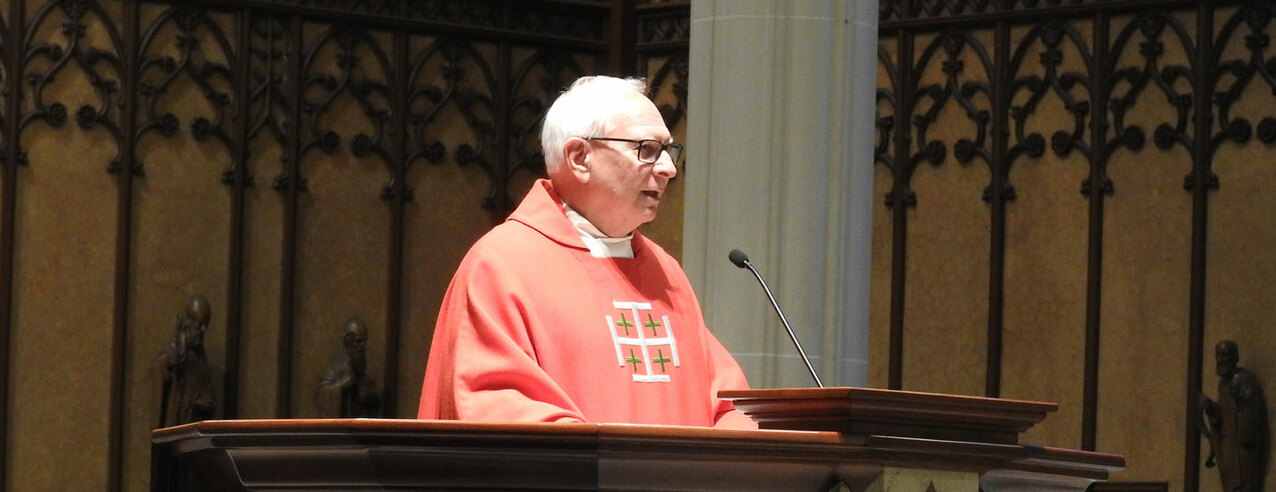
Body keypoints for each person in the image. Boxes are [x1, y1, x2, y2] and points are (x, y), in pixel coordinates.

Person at [418, 75, 756, 428]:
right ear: (580, 158)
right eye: (647, 150)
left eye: (668, 151)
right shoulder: (501, 266)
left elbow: (726, 404)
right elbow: (492, 406)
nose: (669, 169)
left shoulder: (665, 272)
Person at [1200, 340, 1269, 492]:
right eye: (1218, 355)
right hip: (1229, 451)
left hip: (1243, 450)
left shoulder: (1246, 380)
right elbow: (1224, 417)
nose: (1221, 359)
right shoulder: (1223, 384)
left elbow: (1251, 416)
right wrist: (1212, 408)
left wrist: (1237, 399)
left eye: (1225, 355)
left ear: (1235, 357)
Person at [155, 295, 217, 428]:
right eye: (200, 324)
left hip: (195, 417)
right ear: (189, 321)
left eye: (206, 324)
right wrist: (167, 362)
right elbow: (160, 366)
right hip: (179, 417)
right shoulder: (177, 347)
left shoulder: (199, 351)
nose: (203, 330)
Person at [317, 316, 382, 417]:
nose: (362, 346)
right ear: (349, 340)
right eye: (358, 341)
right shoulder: (334, 369)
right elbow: (323, 393)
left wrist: (369, 395)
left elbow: (374, 397)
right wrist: (343, 385)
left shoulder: (363, 371)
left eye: (364, 341)